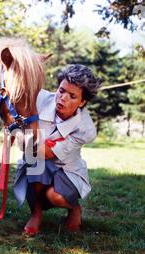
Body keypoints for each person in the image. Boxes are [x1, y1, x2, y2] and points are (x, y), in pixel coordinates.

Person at [14, 64, 102, 236]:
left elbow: (47, 152)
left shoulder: (86, 129)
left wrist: (23, 136)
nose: (62, 98)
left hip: (67, 170)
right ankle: (36, 214)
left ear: (82, 102)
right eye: (61, 91)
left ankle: (74, 208)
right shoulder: (39, 99)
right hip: (38, 166)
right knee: (36, 163)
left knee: (55, 195)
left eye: (72, 96)